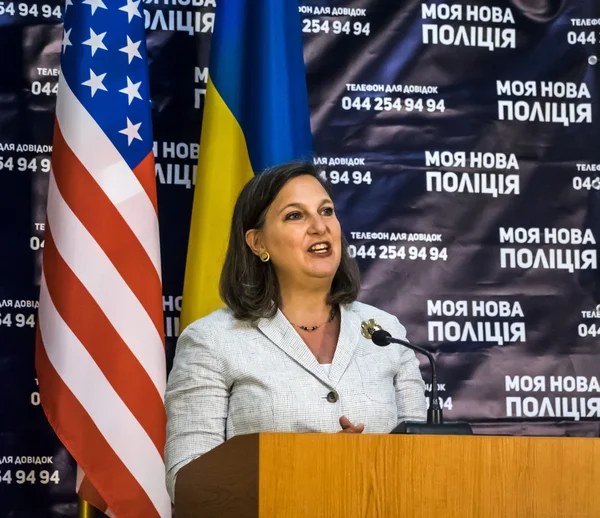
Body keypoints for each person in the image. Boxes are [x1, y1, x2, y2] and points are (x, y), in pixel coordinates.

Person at [164, 161, 426, 501]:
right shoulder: (211, 341)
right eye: (295, 216)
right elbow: (188, 481)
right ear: (258, 243)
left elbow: (425, 459)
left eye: (326, 211)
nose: (319, 226)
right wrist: (314, 466)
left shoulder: (386, 332)